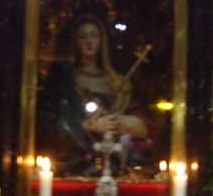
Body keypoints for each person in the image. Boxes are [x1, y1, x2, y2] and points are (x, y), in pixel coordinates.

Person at [36, 14, 156, 176]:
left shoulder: (119, 81)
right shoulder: (63, 81)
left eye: (94, 36)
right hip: (75, 163)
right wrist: (87, 126)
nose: (89, 42)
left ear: (103, 41)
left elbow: (142, 122)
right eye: (82, 37)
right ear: (74, 42)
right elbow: (47, 122)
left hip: (116, 160)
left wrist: (124, 123)